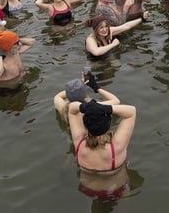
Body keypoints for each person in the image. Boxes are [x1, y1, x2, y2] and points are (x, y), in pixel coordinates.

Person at [58, 74, 136, 204]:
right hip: (115, 188)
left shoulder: (79, 143)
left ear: (86, 125)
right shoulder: (116, 147)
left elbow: (72, 109)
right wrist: (103, 107)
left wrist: (85, 107)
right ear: (108, 123)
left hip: (88, 189)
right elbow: (131, 111)